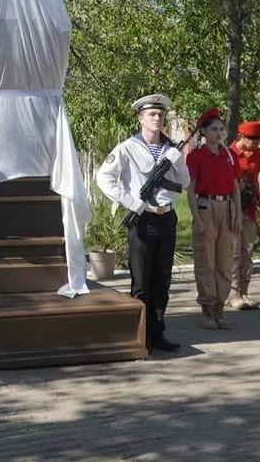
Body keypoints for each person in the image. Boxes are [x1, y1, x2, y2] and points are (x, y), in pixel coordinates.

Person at [95, 94, 190, 351]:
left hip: (166, 216)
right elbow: (104, 178)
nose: (157, 119)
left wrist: (177, 161)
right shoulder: (127, 148)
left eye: (160, 115)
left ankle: (158, 333)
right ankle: (140, 336)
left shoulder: (171, 148)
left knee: (163, 279)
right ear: (140, 118)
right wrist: (130, 202)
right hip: (142, 217)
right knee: (141, 281)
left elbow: (185, 182)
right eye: (151, 115)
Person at [185, 108, 242, 330]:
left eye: (221, 129)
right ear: (204, 131)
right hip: (206, 206)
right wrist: (197, 218)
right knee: (205, 261)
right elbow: (191, 190)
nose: (219, 133)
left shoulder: (230, 155)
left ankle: (220, 308)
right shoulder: (196, 156)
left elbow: (236, 188)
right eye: (214, 129)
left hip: (226, 207)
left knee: (225, 261)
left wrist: (237, 213)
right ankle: (207, 309)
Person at [228, 120, 260, 311]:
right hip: (232, 207)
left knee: (248, 250)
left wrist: (259, 198)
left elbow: (256, 180)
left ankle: (244, 291)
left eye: (259, 141)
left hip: (249, 207)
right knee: (234, 252)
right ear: (242, 137)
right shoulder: (230, 153)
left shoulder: (258, 154)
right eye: (254, 141)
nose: (257, 145)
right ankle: (233, 293)